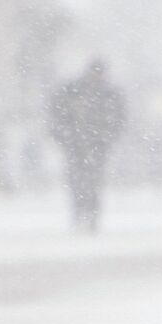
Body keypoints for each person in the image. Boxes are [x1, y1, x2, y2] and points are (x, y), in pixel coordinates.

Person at [48, 59, 127, 233]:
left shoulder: (108, 94)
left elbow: (119, 119)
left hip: (96, 145)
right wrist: (65, 136)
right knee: (77, 181)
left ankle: (91, 215)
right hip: (76, 144)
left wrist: (107, 138)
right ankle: (79, 213)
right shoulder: (73, 91)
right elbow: (57, 114)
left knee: (93, 182)